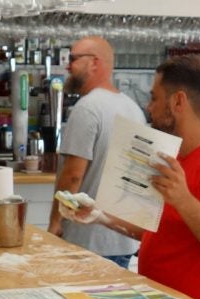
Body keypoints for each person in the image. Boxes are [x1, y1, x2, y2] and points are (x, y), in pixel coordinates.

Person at [60, 55, 200, 299]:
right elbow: (164, 232)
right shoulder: (177, 154)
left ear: (178, 102)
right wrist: (100, 215)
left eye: (154, 98)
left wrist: (183, 199)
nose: (149, 107)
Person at [47, 36, 145, 268]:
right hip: (123, 238)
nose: (68, 66)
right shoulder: (133, 108)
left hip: (87, 239)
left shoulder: (88, 108)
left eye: (73, 59)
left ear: (95, 63)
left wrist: (54, 222)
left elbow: (73, 174)